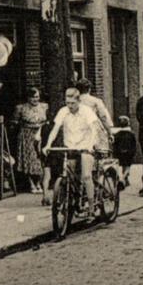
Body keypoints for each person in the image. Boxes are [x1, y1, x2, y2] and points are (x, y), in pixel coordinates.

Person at [43, 88, 100, 217]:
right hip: (71, 147)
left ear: (79, 101)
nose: (70, 106)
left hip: (85, 147)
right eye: (67, 103)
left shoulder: (87, 111)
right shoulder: (63, 112)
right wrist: (48, 145)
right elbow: (55, 129)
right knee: (70, 176)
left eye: (72, 103)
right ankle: (72, 202)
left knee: (86, 176)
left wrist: (90, 145)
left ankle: (91, 208)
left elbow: (94, 129)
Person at [12, 87, 49, 194]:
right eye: (32, 97)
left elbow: (48, 120)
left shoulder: (44, 106)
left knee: (40, 159)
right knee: (29, 159)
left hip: (41, 134)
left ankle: (38, 183)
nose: (35, 99)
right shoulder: (21, 108)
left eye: (37, 97)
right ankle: (31, 183)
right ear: (28, 98)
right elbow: (14, 121)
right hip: (27, 135)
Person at [75, 78, 114, 154]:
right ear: (89, 89)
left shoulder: (74, 102)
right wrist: (109, 133)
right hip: (92, 129)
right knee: (99, 152)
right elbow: (103, 117)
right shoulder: (95, 101)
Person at [112, 116, 137, 189]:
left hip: (119, 153)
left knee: (122, 165)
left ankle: (124, 179)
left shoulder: (117, 134)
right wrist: (133, 152)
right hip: (128, 153)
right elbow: (134, 144)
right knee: (127, 167)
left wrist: (115, 152)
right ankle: (123, 178)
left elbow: (115, 145)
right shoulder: (131, 134)